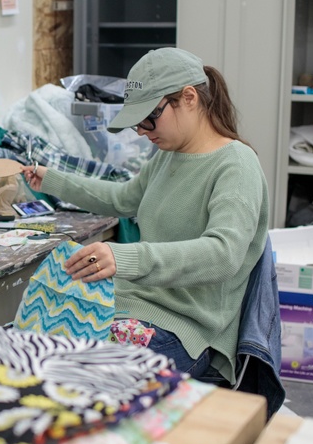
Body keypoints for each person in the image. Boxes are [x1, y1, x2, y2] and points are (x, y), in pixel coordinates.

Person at [21, 47, 269, 385]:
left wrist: (124, 258)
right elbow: (123, 198)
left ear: (189, 97)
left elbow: (223, 254)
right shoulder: (168, 156)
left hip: (185, 329)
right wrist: (52, 180)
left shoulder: (236, 165)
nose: (142, 131)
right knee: (24, 347)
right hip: (129, 307)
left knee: (64, 375)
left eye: (149, 117)